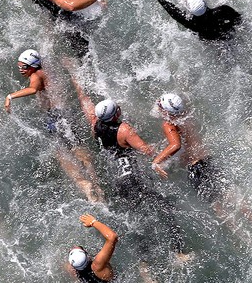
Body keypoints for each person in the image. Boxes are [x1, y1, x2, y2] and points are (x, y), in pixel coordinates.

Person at [68, 66, 189, 260]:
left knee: (137, 220)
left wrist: (76, 81)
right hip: (132, 177)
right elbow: (147, 151)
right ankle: (179, 252)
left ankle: (144, 263)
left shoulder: (95, 125)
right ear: (115, 116)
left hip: (116, 179)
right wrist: (161, 147)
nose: (120, 109)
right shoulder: (124, 130)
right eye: (117, 109)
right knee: (165, 208)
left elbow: (85, 102)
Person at [151, 93, 252, 233]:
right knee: (230, 193)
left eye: (160, 105)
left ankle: (242, 236)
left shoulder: (168, 124)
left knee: (216, 205)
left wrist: (156, 161)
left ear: (167, 111)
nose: (158, 106)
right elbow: (190, 143)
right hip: (207, 159)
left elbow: (175, 145)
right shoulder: (186, 115)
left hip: (196, 168)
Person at [4, 50, 103, 202]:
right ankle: (97, 184)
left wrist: (10, 96)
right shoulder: (46, 72)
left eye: (23, 66)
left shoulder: (35, 76)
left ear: (32, 66)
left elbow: (33, 89)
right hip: (65, 113)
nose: (20, 69)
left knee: (61, 154)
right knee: (78, 148)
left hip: (55, 117)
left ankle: (84, 184)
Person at [65, 214, 117, 283]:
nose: (73, 247)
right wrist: (93, 222)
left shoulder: (72, 270)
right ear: (86, 253)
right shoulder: (97, 266)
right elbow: (113, 237)